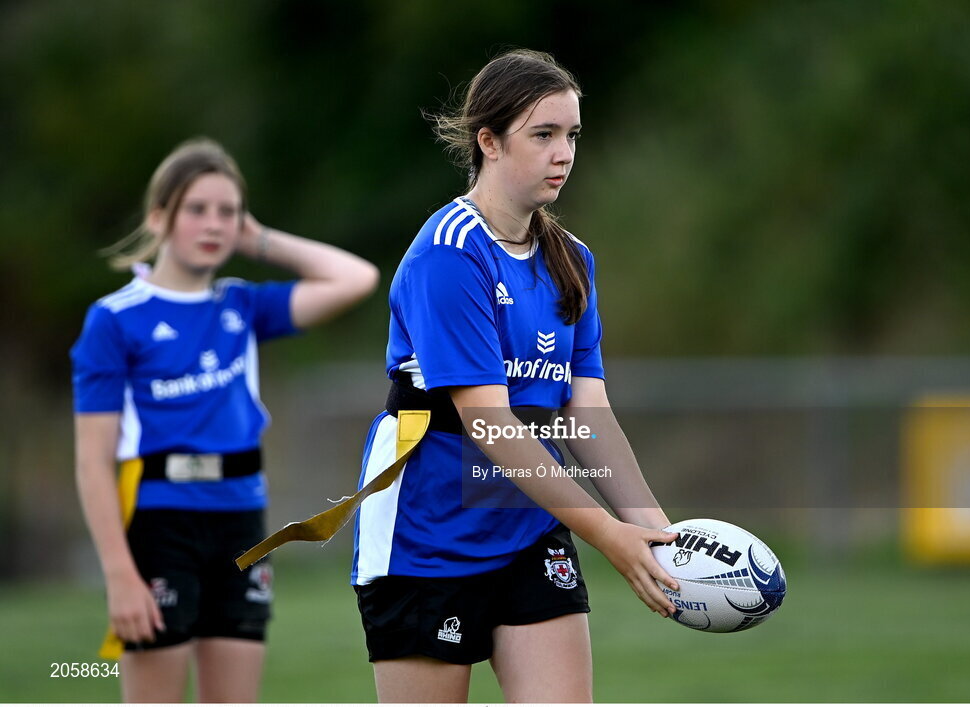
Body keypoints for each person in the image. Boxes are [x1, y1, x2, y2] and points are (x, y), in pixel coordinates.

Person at [351, 50, 680, 703]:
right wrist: (607, 532)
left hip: (528, 525)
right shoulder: (449, 253)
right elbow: (490, 424)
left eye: (573, 135)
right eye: (544, 134)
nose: (564, 153)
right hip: (428, 533)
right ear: (489, 142)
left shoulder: (572, 262)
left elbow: (587, 416)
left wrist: (658, 534)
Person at [71, 137, 379, 703]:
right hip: (159, 524)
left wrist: (259, 240)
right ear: (160, 217)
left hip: (240, 521)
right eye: (197, 209)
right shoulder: (114, 320)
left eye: (227, 212)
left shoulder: (241, 305)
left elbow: (354, 278)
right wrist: (119, 575)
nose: (213, 224)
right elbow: (92, 461)